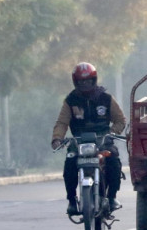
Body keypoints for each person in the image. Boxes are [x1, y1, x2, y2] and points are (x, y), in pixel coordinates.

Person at [51, 62, 126, 215]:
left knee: (114, 162)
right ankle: (72, 201)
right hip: (78, 141)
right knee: (70, 164)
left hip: (103, 140)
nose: (85, 84)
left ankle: (112, 197)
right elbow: (62, 122)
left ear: (94, 80)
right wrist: (57, 138)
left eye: (88, 81)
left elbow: (120, 120)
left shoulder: (106, 98)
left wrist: (111, 133)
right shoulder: (70, 101)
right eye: (81, 81)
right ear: (75, 82)